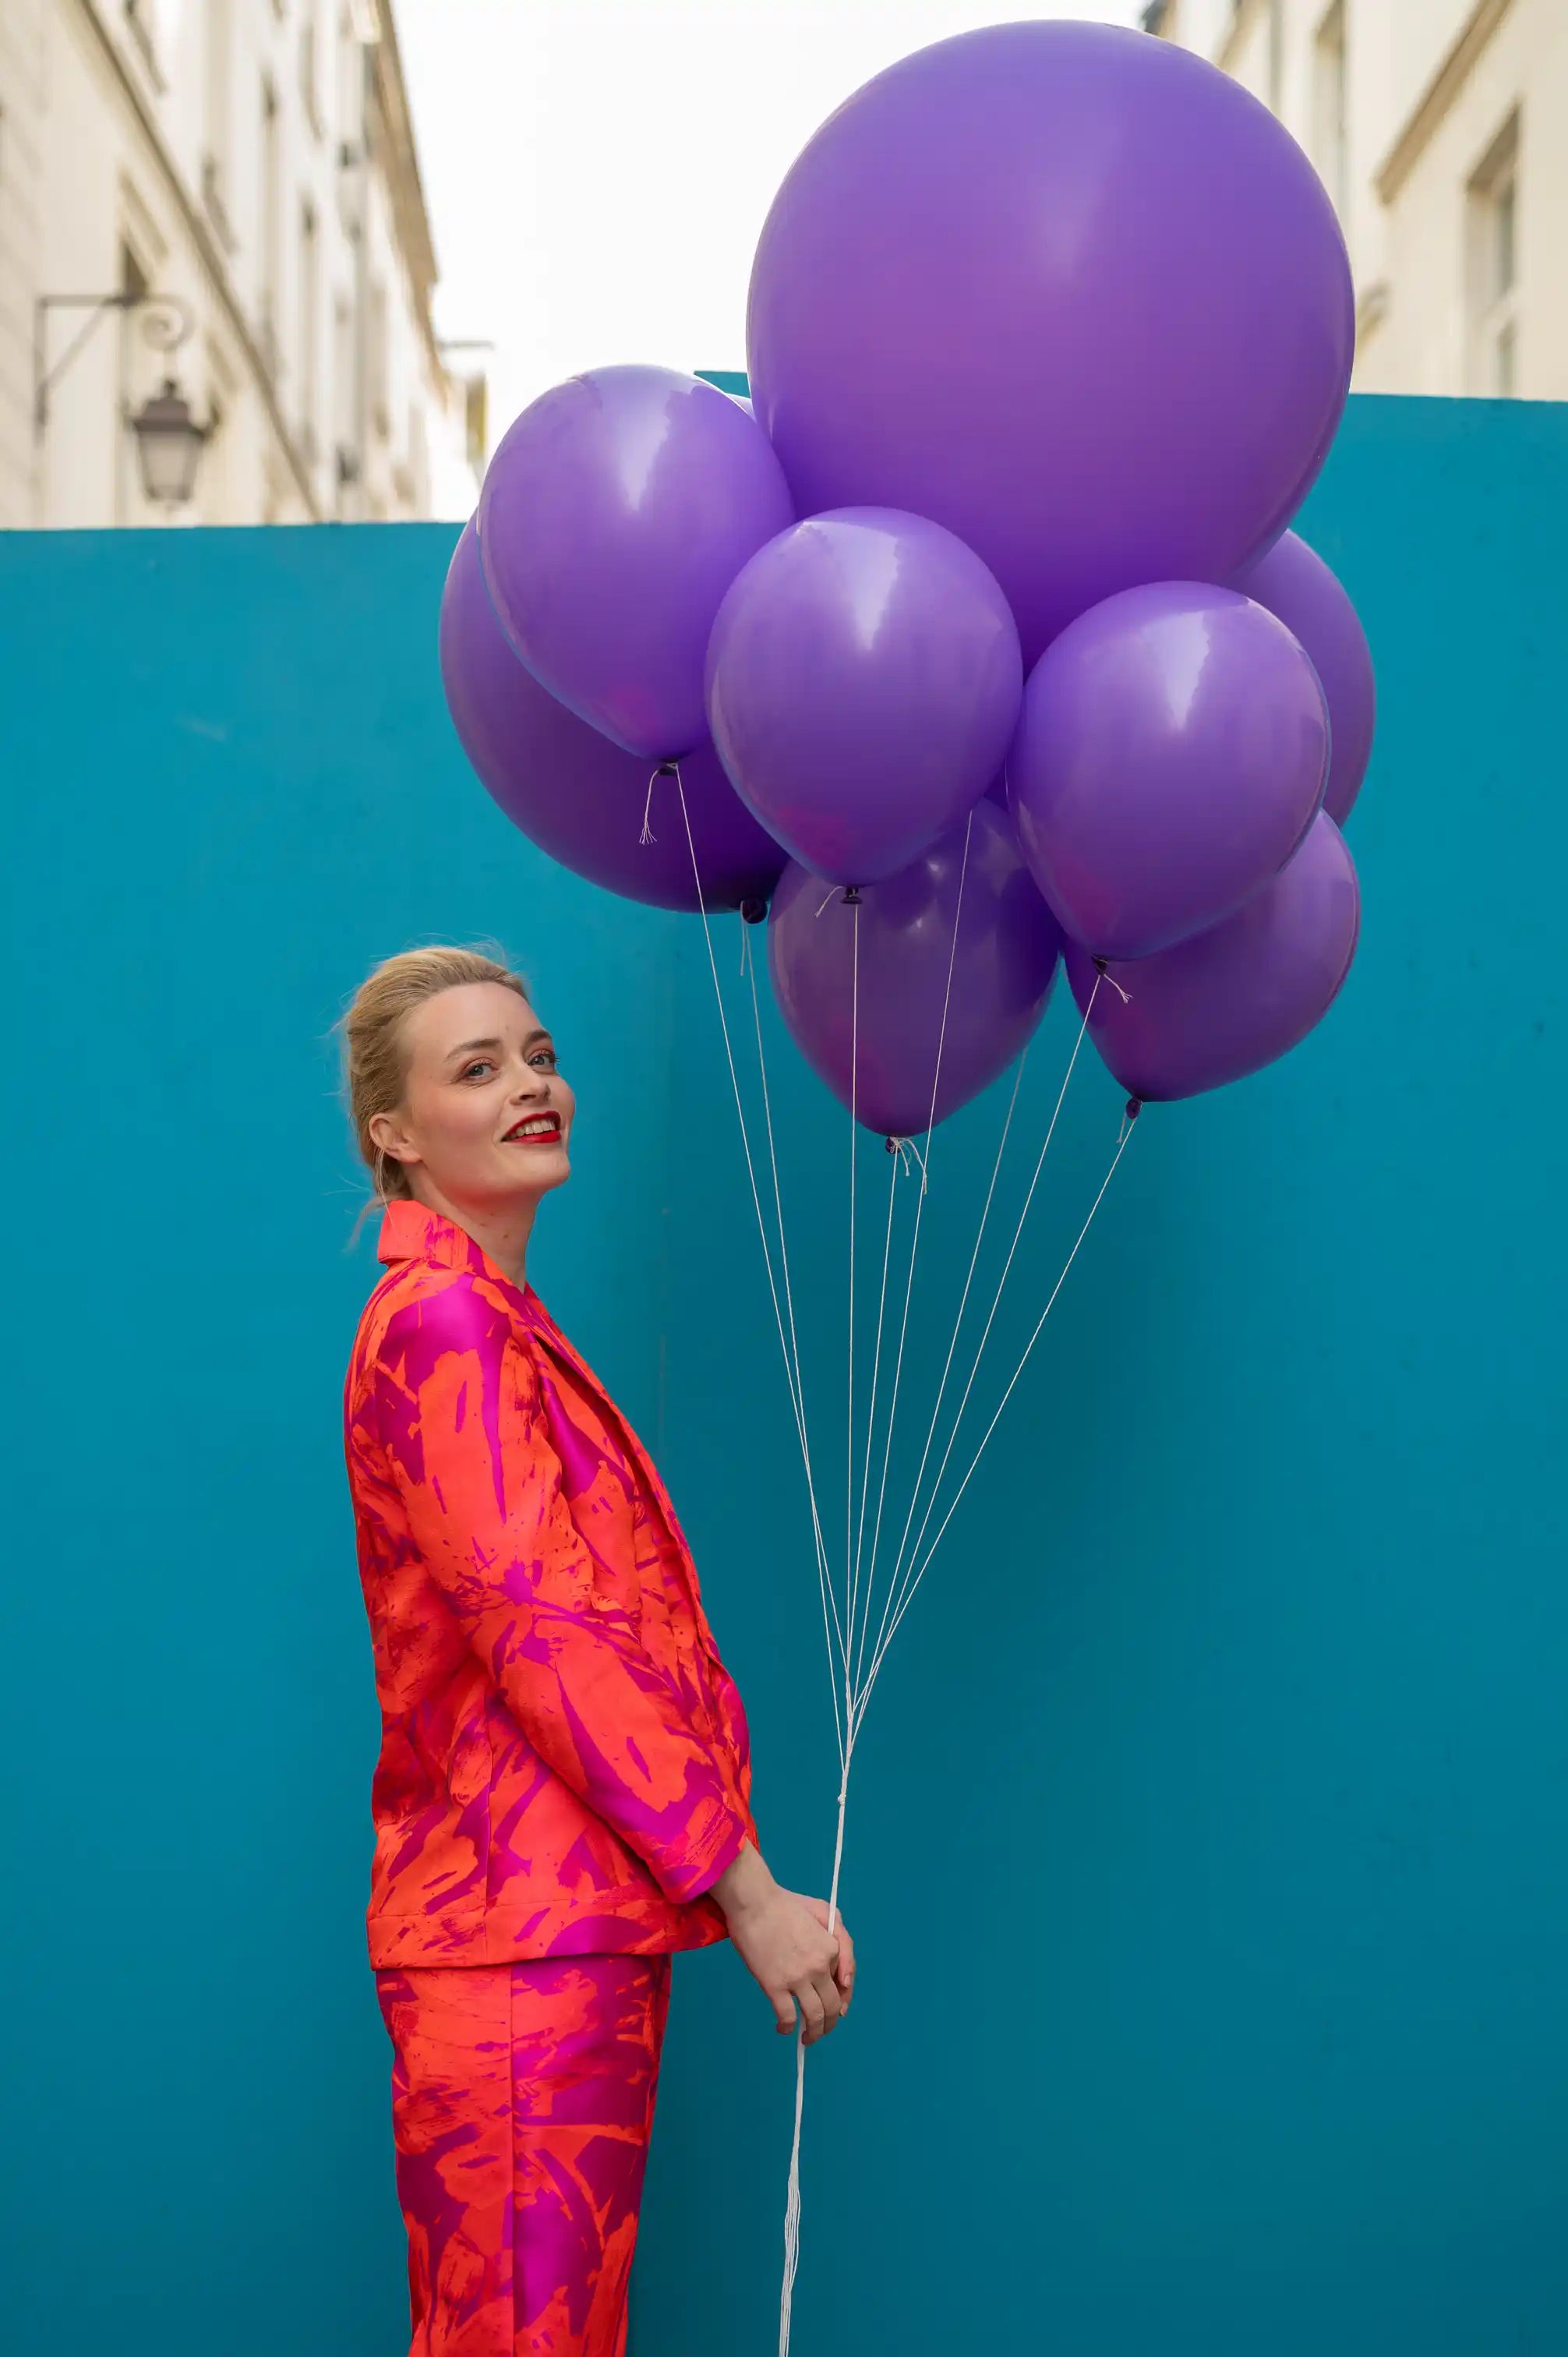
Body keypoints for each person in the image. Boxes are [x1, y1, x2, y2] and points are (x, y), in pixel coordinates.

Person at [340, 944, 853, 2357]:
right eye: (479, 1068)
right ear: (396, 1133)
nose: (533, 1085)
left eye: (542, 1056)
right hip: (518, 1941)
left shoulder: (495, 1322)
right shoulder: (445, 1325)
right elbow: (549, 1639)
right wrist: (749, 1890)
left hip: (562, 1927)